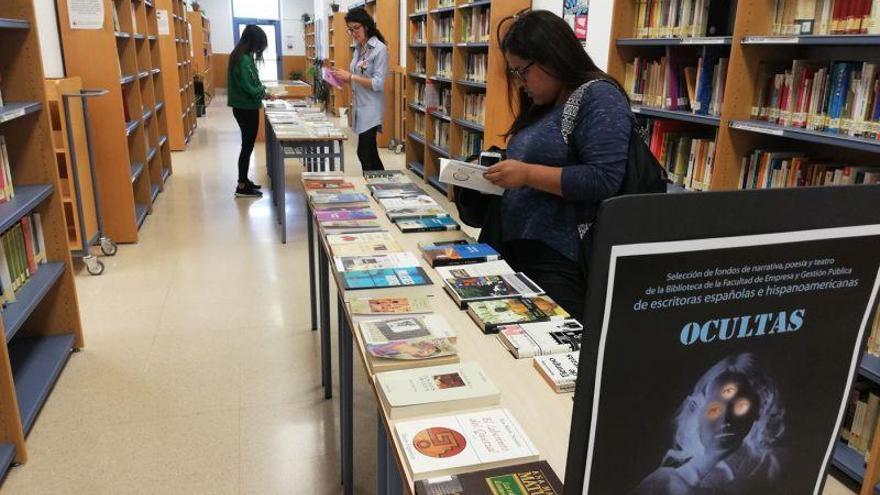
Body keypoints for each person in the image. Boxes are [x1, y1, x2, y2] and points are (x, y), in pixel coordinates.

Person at [481, 10, 632, 320]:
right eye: (514, 74)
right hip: (517, 243)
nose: (520, 83)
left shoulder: (599, 97)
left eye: (522, 71)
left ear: (550, 58)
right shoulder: (547, 103)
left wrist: (525, 174)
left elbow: (603, 179)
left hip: (559, 259)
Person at [632, 353, 785, 495]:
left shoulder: (767, 471)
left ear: (757, 413)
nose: (726, 420)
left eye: (740, 407)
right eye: (715, 409)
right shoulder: (664, 482)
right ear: (698, 409)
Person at [331, 7, 389, 172]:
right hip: (360, 106)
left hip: (371, 108)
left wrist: (350, 77)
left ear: (366, 26)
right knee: (371, 152)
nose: (354, 33)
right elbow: (357, 78)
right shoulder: (358, 48)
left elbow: (377, 83)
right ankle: (383, 188)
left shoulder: (379, 49)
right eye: (350, 29)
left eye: (356, 28)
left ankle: (374, 188)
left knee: (363, 152)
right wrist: (342, 79)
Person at [227, 24, 273, 198]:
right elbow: (248, 86)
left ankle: (244, 180)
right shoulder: (243, 59)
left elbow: (253, 80)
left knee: (247, 145)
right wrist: (263, 93)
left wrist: (262, 89)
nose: (259, 48)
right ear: (253, 41)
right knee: (247, 146)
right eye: (259, 44)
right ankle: (241, 186)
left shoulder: (243, 56)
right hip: (246, 107)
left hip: (244, 107)